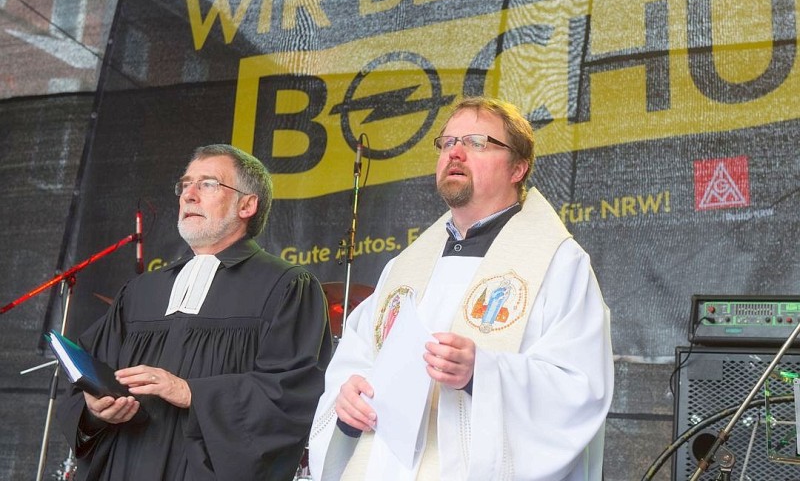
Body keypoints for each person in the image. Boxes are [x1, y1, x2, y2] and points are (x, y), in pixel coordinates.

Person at [309, 97, 614, 480]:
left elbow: (579, 390)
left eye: (476, 142)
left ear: (518, 167)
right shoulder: (404, 268)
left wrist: (481, 373)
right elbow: (354, 363)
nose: (455, 152)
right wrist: (349, 400)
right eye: (448, 142)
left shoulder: (558, 263)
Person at [57, 144, 333, 481]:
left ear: (247, 204)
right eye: (185, 184)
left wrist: (192, 393)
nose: (188, 194)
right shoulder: (141, 291)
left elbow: (293, 395)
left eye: (208, 184)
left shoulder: (287, 287)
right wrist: (96, 409)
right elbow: (86, 380)